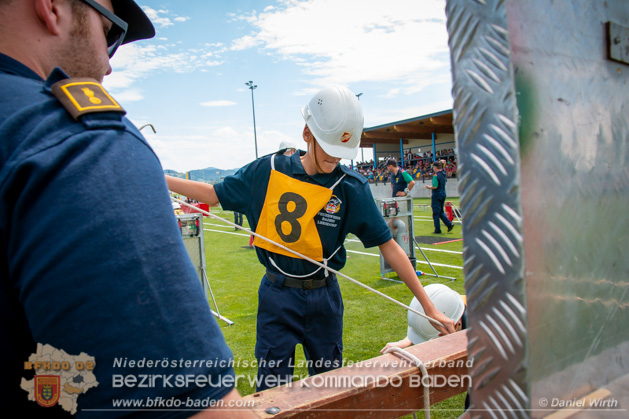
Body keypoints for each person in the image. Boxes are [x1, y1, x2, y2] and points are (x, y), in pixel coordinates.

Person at [0, 0, 252, 416]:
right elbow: (191, 408)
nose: (108, 65)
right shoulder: (77, 143)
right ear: (51, 7)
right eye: (111, 31)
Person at [165, 84, 456, 392]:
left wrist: (427, 306)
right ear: (307, 134)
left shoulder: (350, 186)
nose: (334, 161)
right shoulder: (270, 168)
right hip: (277, 295)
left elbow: (389, 245)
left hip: (325, 298)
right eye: (329, 151)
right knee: (272, 390)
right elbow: (213, 194)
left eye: (341, 155)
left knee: (329, 388)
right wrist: (158, 176)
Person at [425, 161, 454, 234]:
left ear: (435, 167)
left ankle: (437, 229)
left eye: (434, 167)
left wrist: (429, 187)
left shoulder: (435, 175)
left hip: (437, 194)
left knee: (436, 213)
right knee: (441, 211)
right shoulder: (443, 173)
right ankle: (449, 224)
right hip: (443, 193)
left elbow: (435, 186)